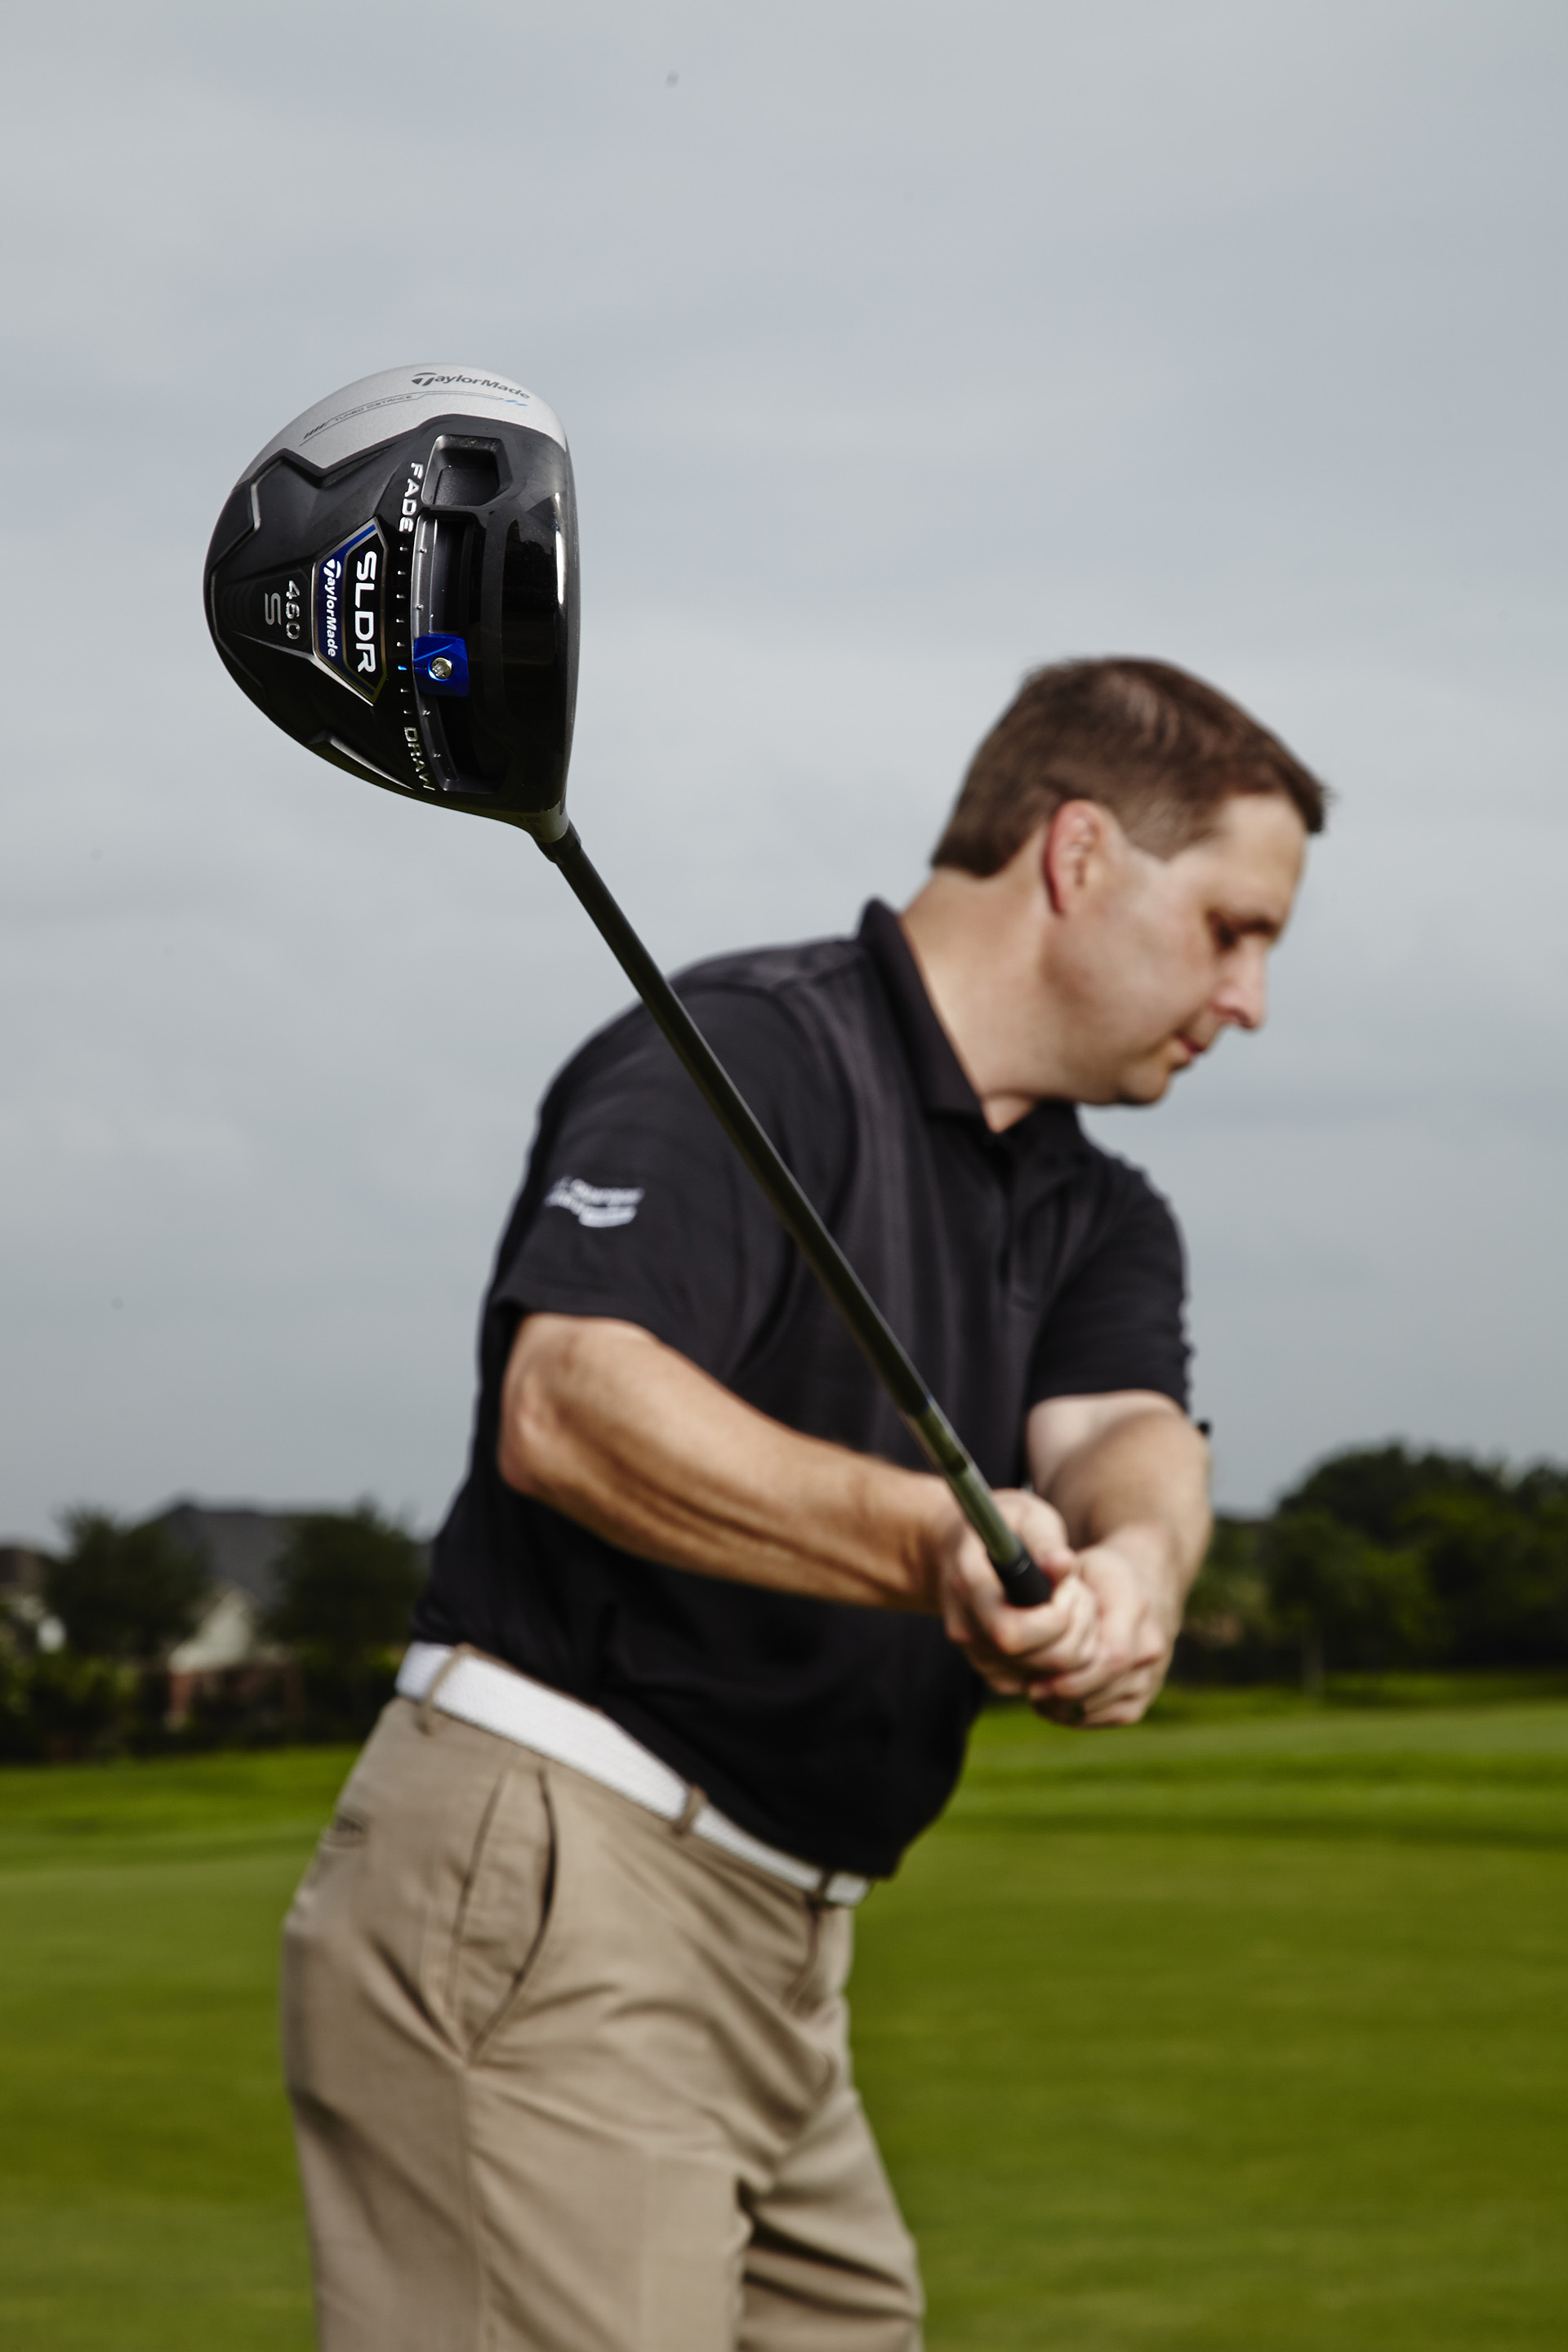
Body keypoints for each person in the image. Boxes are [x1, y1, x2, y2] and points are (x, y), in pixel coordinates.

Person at [281, 657, 1324, 2352]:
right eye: (1232, 929)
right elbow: (572, 1403)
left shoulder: (1098, 1208)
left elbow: (1128, 1430)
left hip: (788, 1951)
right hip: (564, 1870)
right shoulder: (750, 1052)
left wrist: (1136, 1571)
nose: (1253, 997)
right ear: (1078, 856)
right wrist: (930, 1542)